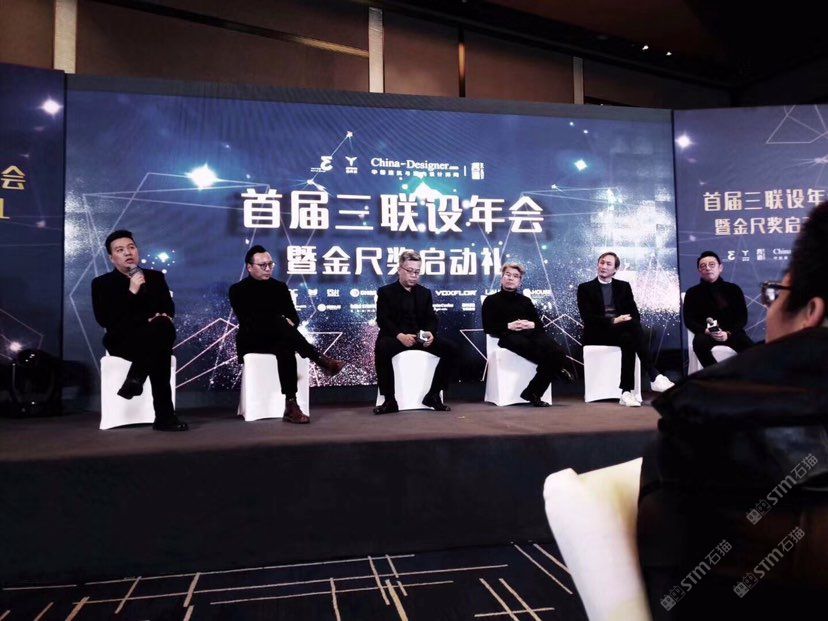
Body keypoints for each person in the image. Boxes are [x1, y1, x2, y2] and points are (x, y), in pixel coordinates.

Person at [637, 201, 828, 619]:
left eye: (777, 294)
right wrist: (711, 332)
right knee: (706, 346)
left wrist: (729, 333)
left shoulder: (693, 430)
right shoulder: (693, 296)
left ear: (811, 313)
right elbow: (692, 322)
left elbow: (671, 595)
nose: (707, 269)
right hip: (705, 338)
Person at [229, 245, 345, 424]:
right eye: (262, 265)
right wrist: (278, 320)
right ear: (249, 267)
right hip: (252, 339)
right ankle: (320, 360)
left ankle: (291, 404)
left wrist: (280, 321)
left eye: (270, 264)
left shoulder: (279, 287)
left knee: (285, 345)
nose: (268, 268)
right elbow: (248, 321)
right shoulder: (238, 289)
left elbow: (294, 318)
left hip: (279, 338)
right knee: (279, 323)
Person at [91, 230, 188, 431]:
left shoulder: (155, 277)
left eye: (131, 247)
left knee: (162, 329)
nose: (128, 252)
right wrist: (132, 292)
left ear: (137, 250)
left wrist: (152, 319)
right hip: (122, 340)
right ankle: (164, 417)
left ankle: (135, 379)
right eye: (120, 250)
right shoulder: (102, 283)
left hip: (155, 335)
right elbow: (106, 320)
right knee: (160, 346)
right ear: (111, 258)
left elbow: (168, 310)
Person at [577, 252, 674, 406]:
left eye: (608, 264)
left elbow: (634, 314)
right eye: (602, 262)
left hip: (621, 332)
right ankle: (653, 374)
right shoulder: (585, 288)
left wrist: (623, 321)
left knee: (629, 338)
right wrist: (614, 320)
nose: (603, 266)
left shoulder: (623, 286)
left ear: (615, 269)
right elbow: (588, 318)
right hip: (597, 333)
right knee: (632, 328)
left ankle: (626, 392)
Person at [373, 250, 458, 414]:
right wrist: (400, 336)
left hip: (419, 337)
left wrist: (430, 333)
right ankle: (389, 400)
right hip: (395, 337)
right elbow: (383, 319)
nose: (413, 275)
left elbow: (431, 318)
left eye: (417, 272)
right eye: (410, 271)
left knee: (452, 349)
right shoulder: (385, 292)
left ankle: (433, 395)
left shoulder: (424, 293)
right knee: (382, 347)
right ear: (399, 270)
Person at [481, 263, 574, 406]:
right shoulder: (491, 300)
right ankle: (551, 375)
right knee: (541, 353)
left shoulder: (525, 301)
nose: (511, 278)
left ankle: (533, 391)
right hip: (508, 336)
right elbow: (488, 328)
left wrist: (531, 324)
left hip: (532, 334)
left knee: (558, 351)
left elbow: (539, 325)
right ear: (502, 278)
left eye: (515, 276)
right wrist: (509, 326)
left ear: (520, 282)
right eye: (508, 275)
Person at [683, 250, 754, 368]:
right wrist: (706, 331)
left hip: (731, 333)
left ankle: (748, 376)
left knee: (750, 349)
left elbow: (742, 319)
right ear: (699, 271)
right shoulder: (692, 293)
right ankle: (717, 374)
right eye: (703, 266)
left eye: (712, 264)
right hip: (706, 334)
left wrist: (727, 333)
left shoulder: (733, 289)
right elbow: (689, 321)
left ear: (720, 267)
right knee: (699, 343)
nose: (707, 268)